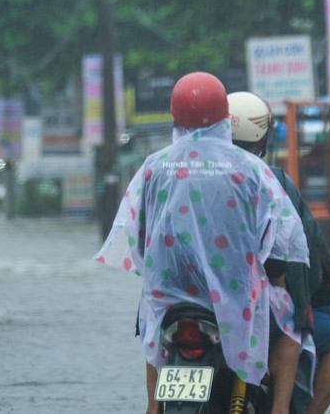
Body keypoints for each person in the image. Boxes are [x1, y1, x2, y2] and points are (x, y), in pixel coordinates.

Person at [93, 72, 309, 414]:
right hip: (236, 301)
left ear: (175, 117)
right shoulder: (251, 169)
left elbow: (137, 237)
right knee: (291, 326)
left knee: (151, 312)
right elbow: (280, 243)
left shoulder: (153, 167)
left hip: (171, 301)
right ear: (224, 116)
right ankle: (280, 408)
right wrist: (279, 282)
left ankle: (153, 406)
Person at [228, 91, 330, 414]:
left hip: (186, 302)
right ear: (262, 136)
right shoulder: (273, 181)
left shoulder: (181, 175)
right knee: (324, 333)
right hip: (252, 310)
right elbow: (303, 256)